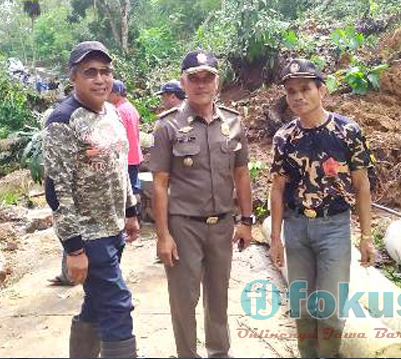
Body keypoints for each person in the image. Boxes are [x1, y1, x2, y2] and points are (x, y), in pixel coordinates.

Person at [268, 59, 375, 358]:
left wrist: (366, 237)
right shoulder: (284, 138)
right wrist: (275, 238)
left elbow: (362, 185)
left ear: (322, 90)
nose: (298, 96)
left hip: (334, 227)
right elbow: (277, 188)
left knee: (329, 308)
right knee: (302, 306)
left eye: (305, 89)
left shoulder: (347, 132)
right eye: (291, 91)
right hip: (297, 226)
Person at [150, 50, 254, 358]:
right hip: (184, 226)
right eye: (194, 78)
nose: (201, 84)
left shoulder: (233, 122)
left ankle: (219, 352)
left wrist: (246, 221)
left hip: (222, 225)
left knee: (218, 297)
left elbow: (241, 173)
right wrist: (163, 235)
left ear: (217, 81)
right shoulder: (167, 126)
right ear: (183, 81)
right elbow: (159, 184)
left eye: (207, 77)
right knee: (184, 299)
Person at [43, 40, 140, 358]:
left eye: (105, 71)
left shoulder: (112, 113)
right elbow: (57, 190)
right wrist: (74, 248)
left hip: (114, 229)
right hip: (89, 234)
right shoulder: (62, 121)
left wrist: (130, 211)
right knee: (117, 305)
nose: (100, 79)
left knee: (97, 305)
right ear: (74, 78)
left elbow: (120, 166)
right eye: (90, 72)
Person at [109, 79, 144, 196]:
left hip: (125, 158)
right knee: (132, 188)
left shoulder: (119, 111)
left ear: (116, 94)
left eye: (109, 93)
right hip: (134, 156)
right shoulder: (130, 108)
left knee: (125, 193)